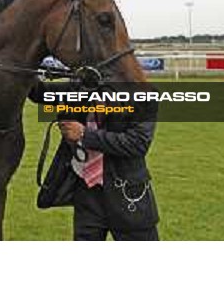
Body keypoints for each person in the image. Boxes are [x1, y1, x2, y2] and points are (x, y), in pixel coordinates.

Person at [29, 80, 160, 241]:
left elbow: (138, 143)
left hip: (127, 195)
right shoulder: (80, 88)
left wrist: (85, 135)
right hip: (86, 193)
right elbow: (37, 91)